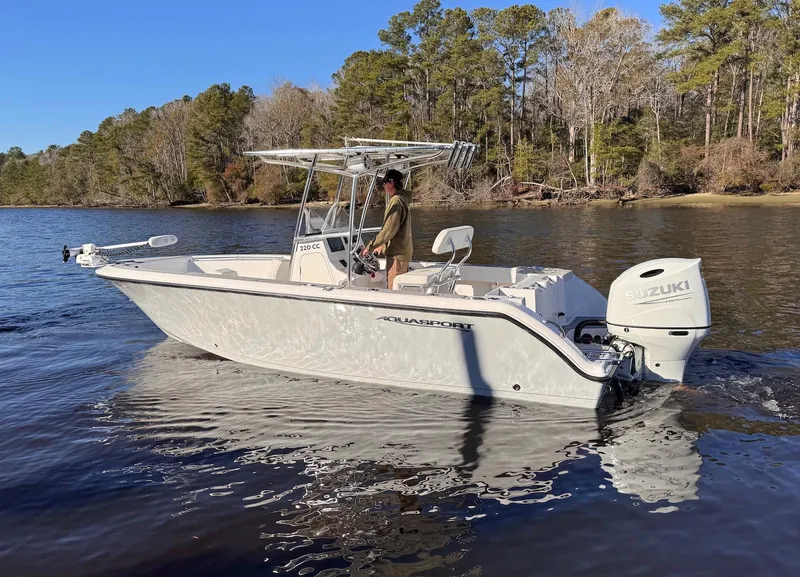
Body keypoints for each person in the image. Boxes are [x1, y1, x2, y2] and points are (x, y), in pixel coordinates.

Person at [361, 168, 412, 290]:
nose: (383, 185)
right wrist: (382, 246)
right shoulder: (403, 198)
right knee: (398, 288)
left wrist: (369, 247)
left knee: (393, 289)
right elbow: (396, 229)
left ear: (392, 183)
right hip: (402, 253)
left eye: (385, 182)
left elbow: (389, 230)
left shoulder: (396, 200)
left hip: (397, 255)